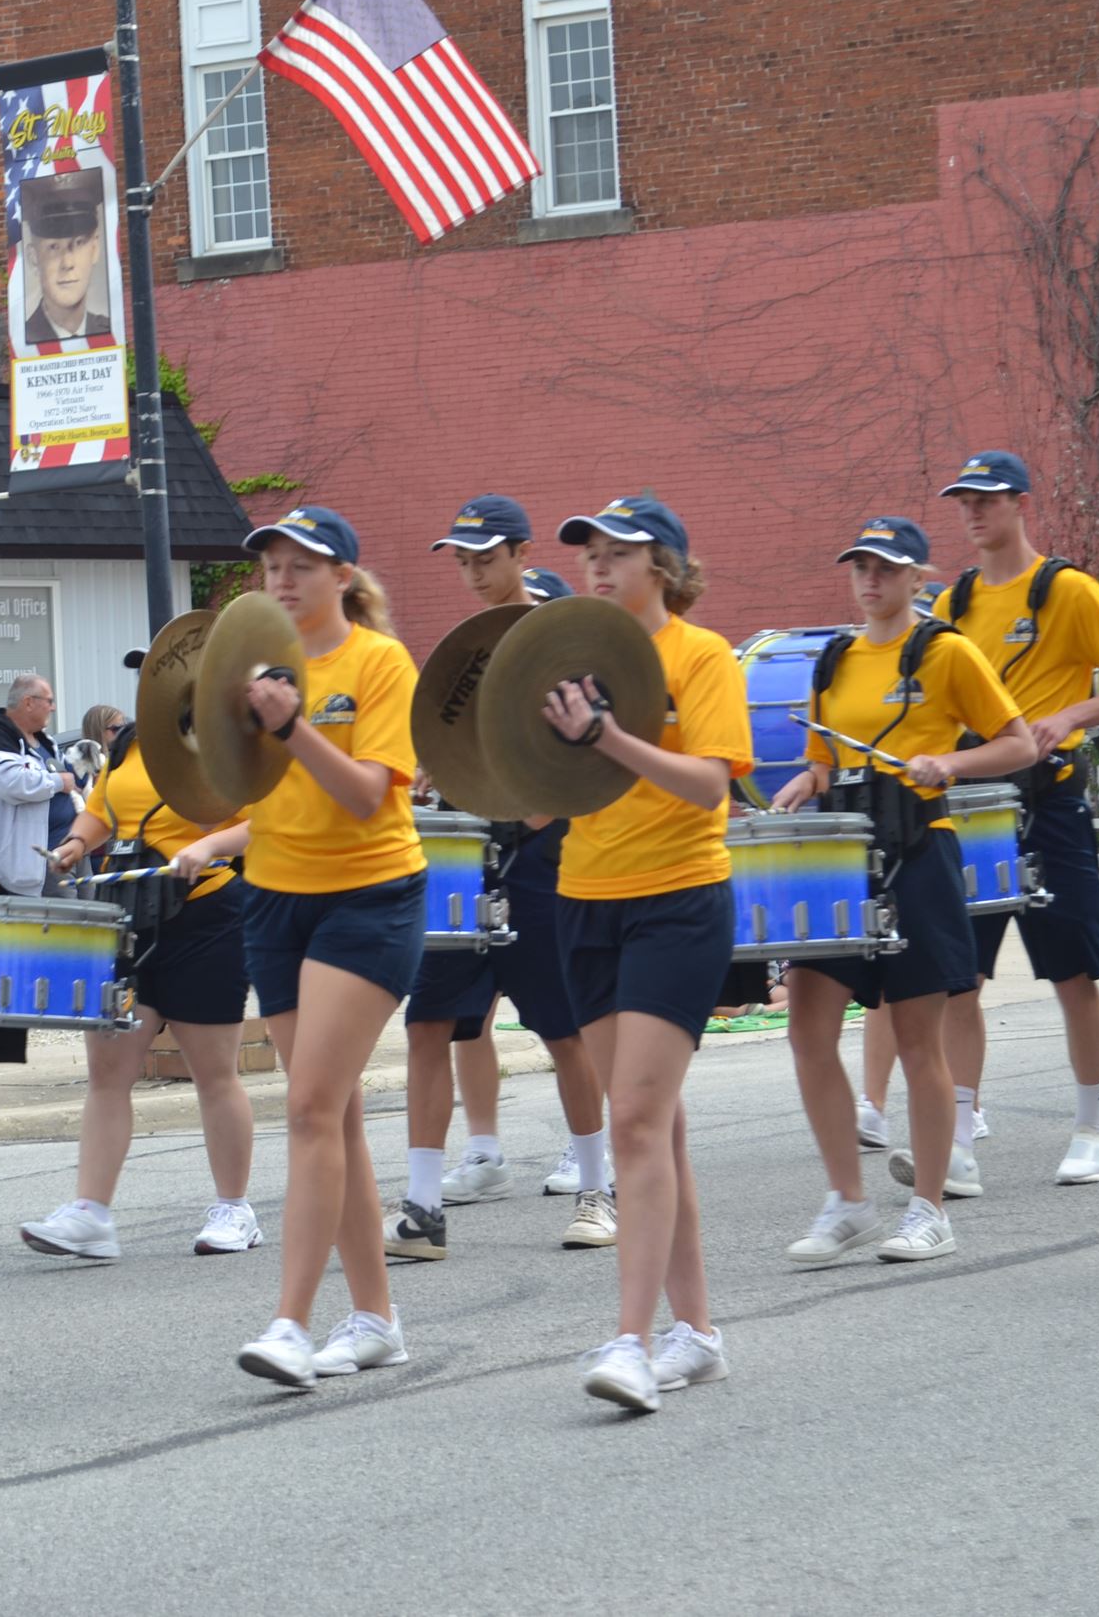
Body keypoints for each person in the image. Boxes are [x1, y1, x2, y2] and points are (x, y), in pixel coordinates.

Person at [773, 519, 1034, 1266]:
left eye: (885, 568)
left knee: (920, 1037)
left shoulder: (947, 650)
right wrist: (806, 778)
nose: (870, 580)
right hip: (838, 853)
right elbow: (824, 759)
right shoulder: (833, 658)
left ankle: (928, 1207)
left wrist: (949, 763)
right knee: (807, 1025)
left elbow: (1016, 743)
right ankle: (847, 1199)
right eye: (859, 566)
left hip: (919, 845)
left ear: (917, 576)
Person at [541, 496, 751, 1413]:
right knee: (653, 1127)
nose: (596, 562)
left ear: (662, 563)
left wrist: (610, 736)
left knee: (631, 1120)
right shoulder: (571, 667)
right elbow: (543, 803)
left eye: (616, 550)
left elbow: (709, 785)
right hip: (585, 902)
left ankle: (631, 1341)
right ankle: (696, 1332)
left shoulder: (699, 655)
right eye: (589, 550)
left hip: (678, 900)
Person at [229, 507, 430, 1390]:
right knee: (333, 1115)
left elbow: (360, 795)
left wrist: (289, 724)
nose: (281, 576)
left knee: (310, 1105)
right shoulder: (250, 671)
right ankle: (377, 1317)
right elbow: (227, 790)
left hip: (370, 895)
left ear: (341, 575)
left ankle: (289, 1321)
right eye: (271, 562)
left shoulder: (378, 663)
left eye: (301, 563)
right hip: (275, 897)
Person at [931, 451, 1099, 1189]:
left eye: (987, 499)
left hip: (1050, 798)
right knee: (958, 978)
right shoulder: (953, 604)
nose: (973, 512)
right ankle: (960, 1134)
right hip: (972, 807)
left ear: (1021, 503)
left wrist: (1070, 714)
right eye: (964, 500)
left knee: (1070, 972)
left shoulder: (1066, 590)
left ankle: (1092, 1129)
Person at [390, 496, 613, 1258]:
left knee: (564, 1030)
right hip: (463, 852)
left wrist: (541, 811)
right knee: (427, 1025)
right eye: (462, 559)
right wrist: (432, 773)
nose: (473, 571)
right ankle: (422, 1207)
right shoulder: (461, 649)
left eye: (485, 556)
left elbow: (593, 751)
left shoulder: (559, 640)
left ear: (521, 553)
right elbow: (451, 741)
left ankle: (596, 1187)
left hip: (542, 856)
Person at [21, 662, 262, 1259]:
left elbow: (268, 820)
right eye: (146, 675)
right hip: (128, 917)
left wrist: (208, 845)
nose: (152, 687)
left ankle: (235, 1208)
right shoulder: (127, 747)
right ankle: (91, 1214)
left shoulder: (234, 742)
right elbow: (102, 810)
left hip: (205, 915)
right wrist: (76, 843)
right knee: (108, 1072)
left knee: (214, 1071)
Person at [0, 672, 77, 894]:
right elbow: (9, 782)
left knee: (92, 918)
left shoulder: (45, 742)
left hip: (71, 847)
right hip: (40, 861)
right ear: (28, 702)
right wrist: (57, 782)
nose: (53, 708)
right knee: (66, 923)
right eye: (49, 701)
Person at [21, 169, 113, 345]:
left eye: (78, 243)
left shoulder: (106, 329)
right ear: (34, 258)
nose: (67, 263)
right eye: (54, 247)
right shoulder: (27, 338)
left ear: (94, 249)